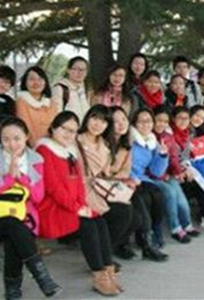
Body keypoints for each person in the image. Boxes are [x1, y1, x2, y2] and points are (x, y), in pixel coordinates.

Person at [0, 117, 61, 300]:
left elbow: (37, 196)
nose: (12, 144)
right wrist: (7, 179)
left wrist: (20, 177)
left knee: (14, 235)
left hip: (24, 217)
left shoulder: (35, 160)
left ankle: (13, 289)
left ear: (26, 137)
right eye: (6, 139)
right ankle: (42, 278)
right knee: (14, 227)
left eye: (17, 138)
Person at [37, 111, 121, 296]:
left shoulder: (71, 151)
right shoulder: (44, 150)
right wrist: (77, 208)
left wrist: (83, 205)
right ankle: (99, 276)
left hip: (71, 205)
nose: (68, 134)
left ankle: (108, 270)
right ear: (53, 128)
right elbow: (53, 188)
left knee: (99, 220)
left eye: (73, 131)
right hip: (51, 208)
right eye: (64, 129)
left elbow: (79, 184)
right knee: (88, 225)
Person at [77, 105, 135, 284]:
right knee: (96, 219)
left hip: (97, 189)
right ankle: (100, 263)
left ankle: (104, 253)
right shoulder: (76, 141)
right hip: (79, 190)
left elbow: (107, 172)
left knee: (126, 211)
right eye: (94, 118)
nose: (98, 124)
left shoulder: (104, 144)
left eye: (103, 121)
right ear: (87, 118)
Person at [151, 107, 200, 243]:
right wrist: (169, 174)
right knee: (170, 193)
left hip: (167, 173)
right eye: (158, 120)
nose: (161, 124)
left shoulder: (168, 136)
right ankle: (175, 228)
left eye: (164, 121)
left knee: (181, 199)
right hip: (152, 176)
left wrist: (178, 172)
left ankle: (187, 225)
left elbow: (173, 157)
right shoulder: (148, 136)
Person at [127, 108, 170, 261]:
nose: (146, 124)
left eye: (149, 121)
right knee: (143, 199)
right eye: (141, 121)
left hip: (143, 179)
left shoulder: (152, 141)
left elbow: (156, 172)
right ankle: (146, 244)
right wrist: (132, 178)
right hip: (127, 179)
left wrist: (163, 155)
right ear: (134, 123)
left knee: (159, 196)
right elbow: (122, 164)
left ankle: (153, 232)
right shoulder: (129, 140)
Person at [107, 107, 142, 261]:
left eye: (123, 119)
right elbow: (102, 172)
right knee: (125, 213)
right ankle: (105, 249)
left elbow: (125, 171)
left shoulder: (125, 143)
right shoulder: (102, 143)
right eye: (115, 121)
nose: (121, 124)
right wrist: (119, 178)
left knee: (138, 216)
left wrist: (126, 180)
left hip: (117, 185)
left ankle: (119, 244)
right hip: (100, 188)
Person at [16, 66, 58, 146]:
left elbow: (57, 126)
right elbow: (26, 128)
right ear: (25, 82)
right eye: (32, 79)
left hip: (52, 146)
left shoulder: (51, 102)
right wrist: (37, 147)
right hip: (33, 147)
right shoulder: (21, 101)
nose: (36, 82)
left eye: (40, 79)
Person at [51, 56, 90, 122]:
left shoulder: (85, 90)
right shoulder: (60, 89)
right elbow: (56, 115)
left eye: (83, 70)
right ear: (68, 70)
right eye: (76, 69)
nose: (80, 72)